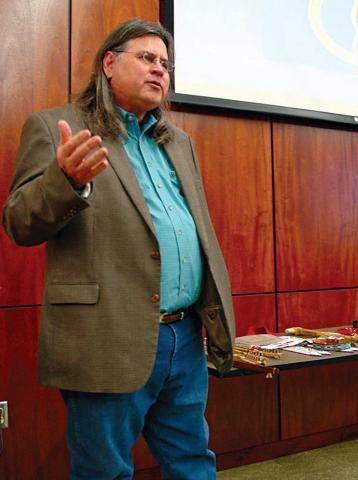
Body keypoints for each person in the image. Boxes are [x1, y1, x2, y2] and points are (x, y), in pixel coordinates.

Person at [2, 18, 235, 480]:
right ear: (110, 63)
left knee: (193, 462)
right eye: (147, 58)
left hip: (183, 335)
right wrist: (64, 181)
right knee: (104, 471)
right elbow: (18, 223)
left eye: (165, 64)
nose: (159, 71)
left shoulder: (179, 142)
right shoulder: (55, 127)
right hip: (106, 335)